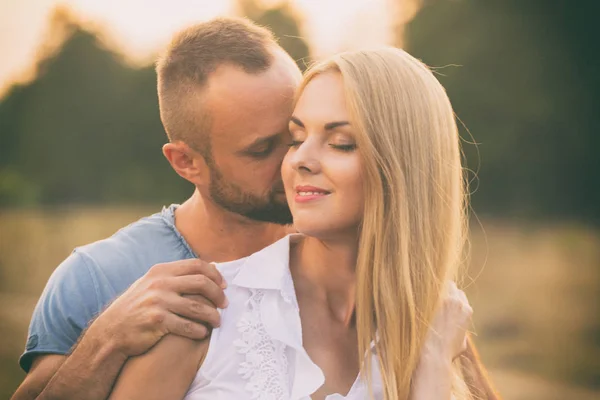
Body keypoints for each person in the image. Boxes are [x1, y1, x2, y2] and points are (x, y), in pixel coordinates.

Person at [107, 48, 500, 399]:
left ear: (404, 168)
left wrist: (431, 367)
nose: (298, 161)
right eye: (297, 138)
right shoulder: (202, 314)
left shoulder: (440, 330)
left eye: (341, 142)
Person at [11, 17, 302, 400]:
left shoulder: (346, 245)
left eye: (299, 134)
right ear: (186, 162)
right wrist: (107, 340)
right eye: (262, 150)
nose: (295, 162)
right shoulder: (98, 276)